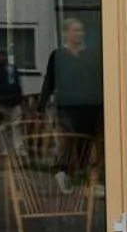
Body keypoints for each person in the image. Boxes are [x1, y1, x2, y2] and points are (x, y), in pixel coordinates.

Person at [37, 17, 104, 160]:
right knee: (68, 143)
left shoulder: (90, 55)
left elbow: (98, 78)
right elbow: (49, 81)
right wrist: (41, 105)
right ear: (66, 33)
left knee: (87, 143)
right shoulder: (58, 55)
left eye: (82, 30)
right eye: (76, 30)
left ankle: (84, 175)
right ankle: (65, 173)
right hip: (68, 108)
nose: (80, 33)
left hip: (90, 108)